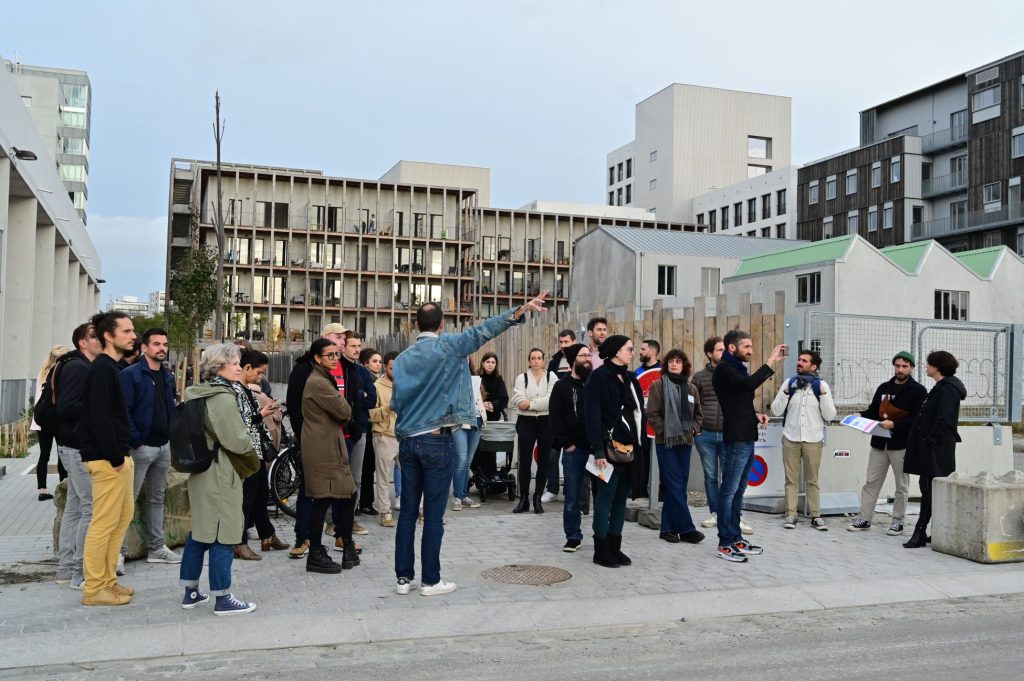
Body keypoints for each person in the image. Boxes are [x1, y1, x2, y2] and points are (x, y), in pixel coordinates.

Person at [391, 292, 548, 596]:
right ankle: (431, 580)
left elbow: (396, 402)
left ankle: (403, 579)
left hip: (408, 441)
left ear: (416, 324)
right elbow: (484, 330)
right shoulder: (448, 345)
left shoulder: (402, 359)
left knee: (408, 511)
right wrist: (519, 311)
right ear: (442, 324)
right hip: (436, 438)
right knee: (434, 514)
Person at [178, 343, 261, 615]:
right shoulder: (222, 397)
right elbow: (237, 441)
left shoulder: (196, 393)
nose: (239, 367)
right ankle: (223, 598)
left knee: (200, 532)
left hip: (201, 469)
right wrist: (253, 461)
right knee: (224, 533)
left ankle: (191, 591)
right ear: (220, 365)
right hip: (220, 470)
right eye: (235, 362)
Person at [78, 312, 137, 606]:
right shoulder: (102, 368)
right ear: (109, 336)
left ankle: (108, 581)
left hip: (117, 457)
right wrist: (115, 456)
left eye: (132, 330)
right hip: (106, 459)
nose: (132, 335)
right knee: (102, 524)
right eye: (126, 330)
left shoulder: (111, 367)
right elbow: (99, 417)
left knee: (121, 519)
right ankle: (94, 588)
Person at [711, 330, 785, 563]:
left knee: (739, 490)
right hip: (736, 439)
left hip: (746, 434)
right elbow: (748, 385)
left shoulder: (736, 369)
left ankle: (735, 537)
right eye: (747, 347)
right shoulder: (725, 369)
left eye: (751, 347)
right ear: (732, 348)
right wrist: (770, 361)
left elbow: (739, 401)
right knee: (729, 490)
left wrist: (755, 415)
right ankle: (725, 543)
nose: (750, 351)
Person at [284, 322, 352, 559]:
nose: (341, 342)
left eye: (344, 339)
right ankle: (304, 539)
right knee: (312, 493)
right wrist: (306, 437)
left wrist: (354, 426)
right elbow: (295, 406)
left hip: (343, 437)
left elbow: (352, 400)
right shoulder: (306, 371)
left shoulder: (344, 365)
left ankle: (341, 536)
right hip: (316, 441)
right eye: (337, 337)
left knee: (341, 492)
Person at [118, 328, 181, 564]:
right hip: (140, 449)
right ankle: (118, 553)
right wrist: (137, 441)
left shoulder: (167, 376)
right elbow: (123, 412)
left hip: (163, 446)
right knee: (127, 501)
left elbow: (169, 407)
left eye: (164, 344)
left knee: (157, 499)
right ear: (144, 348)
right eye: (156, 344)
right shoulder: (130, 375)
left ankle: (156, 549)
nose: (162, 348)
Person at [847, 352, 928, 536]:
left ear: (912, 368)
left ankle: (897, 521)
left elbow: (917, 419)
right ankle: (865, 518)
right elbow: (874, 411)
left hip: (901, 446)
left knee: (902, 486)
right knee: (871, 482)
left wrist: (895, 425)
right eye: (897, 366)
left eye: (904, 366)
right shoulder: (884, 387)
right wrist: (860, 415)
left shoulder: (918, 391)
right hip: (879, 444)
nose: (900, 369)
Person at [585, 335, 645, 568]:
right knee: (605, 498)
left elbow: (639, 413)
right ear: (616, 352)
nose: (633, 352)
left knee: (621, 499)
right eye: (629, 349)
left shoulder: (631, 378)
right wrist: (598, 450)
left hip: (630, 448)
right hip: (607, 450)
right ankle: (600, 549)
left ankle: (615, 546)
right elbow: (592, 416)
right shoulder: (598, 378)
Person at [301, 338, 359, 573]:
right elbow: (345, 410)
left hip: (328, 444)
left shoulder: (324, 378)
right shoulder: (318, 383)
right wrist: (346, 405)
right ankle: (315, 552)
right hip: (322, 447)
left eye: (337, 354)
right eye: (330, 355)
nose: (335, 359)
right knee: (323, 499)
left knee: (347, 495)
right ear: (317, 358)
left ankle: (346, 545)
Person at [902, 351, 966, 549]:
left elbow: (944, 420)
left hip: (936, 450)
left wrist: (929, 440)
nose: (926, 366)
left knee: (929, 491)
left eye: (929, 364)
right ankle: (933, 532)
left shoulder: (947, 390)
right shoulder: (941, 387)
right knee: (929, 489)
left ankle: (919, 533)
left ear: (938, 367)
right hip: (933, 449)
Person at [55, 323, 101, 589]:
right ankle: (80, 573)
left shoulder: (81, 366)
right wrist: (98, 403)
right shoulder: (78, 367)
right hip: (76, 446)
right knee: (89, 509)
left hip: (72, 445)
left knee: (75, 508)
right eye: (94, 336)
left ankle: (67, 569)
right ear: (83, 343)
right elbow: (67, 407)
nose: (100, 339)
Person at [770, 350, 837, 531]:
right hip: (791, 438)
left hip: (813, 439)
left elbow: (830, 415)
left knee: (812, 480)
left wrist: (823, 395)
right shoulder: (789, 383)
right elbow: (775, 411)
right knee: (791, 479)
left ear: (813, 366)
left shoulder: (821, 386)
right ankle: (791, 515)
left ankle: (816, 516)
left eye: (804, 361)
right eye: (799, 360)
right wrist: (785, 391)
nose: (799, 363)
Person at [233, 349, 288, 558]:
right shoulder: (236, 391)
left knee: (259, 495)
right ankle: (239, 542)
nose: (261, 377)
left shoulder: (247, 389)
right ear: (247, 368)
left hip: (256, 451)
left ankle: (267, 534)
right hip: (246, 451)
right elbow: (237, 424)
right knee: (247, 498)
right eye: (259, 372)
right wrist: (261, 415)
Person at [647, 349, 705, 544]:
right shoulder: (658, 386)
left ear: (684, 365)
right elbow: (652, 414)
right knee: (675, 485)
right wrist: (665, 431)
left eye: (678, 361)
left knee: (678, 486)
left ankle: (667, 529)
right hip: (666, 443)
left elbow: (698, 414)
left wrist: (694, 429)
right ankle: (687, 529)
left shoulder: (691, 389)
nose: (674, 364)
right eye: (671, 361)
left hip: (686, 443)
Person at [548, 343, 592, 552]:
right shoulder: (561, 386)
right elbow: (555, 418)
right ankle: (573, 535)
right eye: (584, 355)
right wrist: (568, 443)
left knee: (601, 495)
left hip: (597, 450)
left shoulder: (594, 383)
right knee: (573, 495)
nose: (587, 359)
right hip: (574, 450)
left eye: (589, 355)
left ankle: (603, 534)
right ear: (574, 359)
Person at [511, 348, 558, 514]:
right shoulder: (521, 378)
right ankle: (523, 498)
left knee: (544, 460)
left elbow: (551, 401)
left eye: (539, 358)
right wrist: (533, 403)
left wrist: (530, 404)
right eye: (533, 358)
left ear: (544, 360)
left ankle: (538, 496)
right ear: (529, 360)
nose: (536, 361)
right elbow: (517, 399)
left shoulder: (551, 377)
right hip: (526, 422)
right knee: (524, 461)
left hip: (546, 422)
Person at [341, 334, 376, 537]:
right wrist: (357, 395)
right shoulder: (338, 369)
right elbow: (341, 399)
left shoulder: (362, 372)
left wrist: (358, 396)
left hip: (360, 430)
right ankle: (332, 520)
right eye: (352, 346)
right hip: (339, 431)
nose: (356, 349)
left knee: (356, 478)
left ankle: (351, 518)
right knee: (337, 477)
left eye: (359, 346)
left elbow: (371, 399)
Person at [31, 345, 71, 500]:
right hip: (57, 419)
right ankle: (63, 486)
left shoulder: (42, 372)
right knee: (62, 453)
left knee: (44, 455)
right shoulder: (60, 372)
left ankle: (42, 489)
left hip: (41, 419)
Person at [542, 329, 577, 501]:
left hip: (575, 415)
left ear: (574, 341)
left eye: (567, 342)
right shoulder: (555, 361)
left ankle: (571, 491)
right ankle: (552, 489)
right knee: (552, 454)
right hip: (557, 413)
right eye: (561, 342)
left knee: (571, 457)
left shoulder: (581, 358)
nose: (563, 345)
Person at [370, 351, 400, 527]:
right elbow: (370, 415)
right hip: (384, 435)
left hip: (404, 435)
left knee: (413, 474)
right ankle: (385, 512)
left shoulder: (406, 384)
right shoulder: (376, 386)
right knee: (382, 477)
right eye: (391, 368)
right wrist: (389, 407)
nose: (395, 371)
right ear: (385, 367)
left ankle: (418, 510)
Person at [452, 358, 484, 512]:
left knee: (468, 461)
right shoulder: (450, 376)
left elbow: (477, 398)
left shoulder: (474, 376)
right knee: (461, 460)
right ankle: (457, 497)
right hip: (459, 421)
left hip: (476, 419)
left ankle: (464, 496)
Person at [358, 348, 383, 515]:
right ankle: (364, 503)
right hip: (366, 426)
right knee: (365, 468)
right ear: (365, 363)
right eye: (375, 361)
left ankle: (366, 502)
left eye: (380, 362)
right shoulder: (365, 379)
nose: (379, 365)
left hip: (376, 427)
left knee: (369, 468)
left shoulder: (379, 380)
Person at [478, 352, 509, 422]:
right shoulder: (476, 376)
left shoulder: (498, 378)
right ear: (482, 363)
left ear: (496, 364)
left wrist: (493, 405)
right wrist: (483, 405)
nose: (490, 364)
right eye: (488, 362)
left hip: (494, 417)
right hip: (478, 416)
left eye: (493, 362)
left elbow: (504, 398)